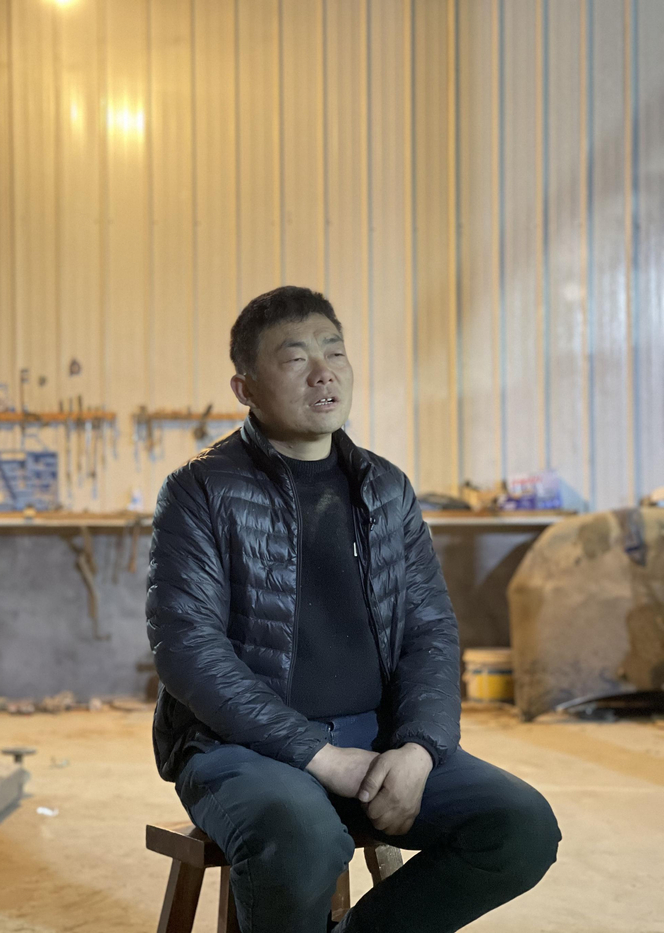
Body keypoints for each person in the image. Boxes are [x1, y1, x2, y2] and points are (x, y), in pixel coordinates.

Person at [145, 285, 562, 933]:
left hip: (377, 737)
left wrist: (419, 747)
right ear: (245, 388)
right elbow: (187, 650)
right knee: (302, 841)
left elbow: (429, 630)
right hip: (239, 749)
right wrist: (321, 755)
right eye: (295, 358)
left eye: (334, 351)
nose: (324, 372)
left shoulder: (386, 488)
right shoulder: (200, 489)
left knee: (519, 827)